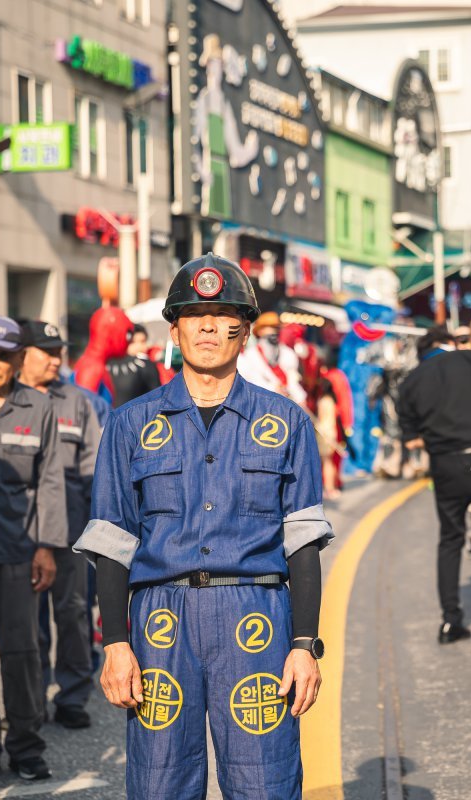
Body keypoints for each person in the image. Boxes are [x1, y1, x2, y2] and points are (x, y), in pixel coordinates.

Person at [74, 253, 332, 800]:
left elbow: (303, 543)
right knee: (159, 782)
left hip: (255, 617)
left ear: (244, 334)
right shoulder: (129, 424)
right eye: (195, 316)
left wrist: (304, 644)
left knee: (265, 782)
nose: (209, 327)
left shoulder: (286, 422)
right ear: (175, 329)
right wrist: (116, 646)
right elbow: (113, 544)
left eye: (223, 317)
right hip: (160, 622)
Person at [0, 317, 67, 781]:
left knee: (22, 655)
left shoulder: (38, 406)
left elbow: (50, 481)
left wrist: (47, 547)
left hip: (20, 552)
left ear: (19, 359)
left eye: (2, 355)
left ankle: (26, 746)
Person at [399, 325, 471, 643]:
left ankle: (450, 622)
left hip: (444, 466)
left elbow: (411, 443)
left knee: (449, 540)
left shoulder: (411, 382)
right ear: (448, 343)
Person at [17, 319, 102, 731]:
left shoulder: (78, 403)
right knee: (28, 623)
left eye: (58, 352)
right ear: (22, 354)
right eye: (46, 352)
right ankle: (31, 699)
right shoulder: (6, 401)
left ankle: (72, 695)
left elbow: (94, 472)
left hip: (71, 530)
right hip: (19, 532)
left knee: (72, 615)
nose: (56, 360)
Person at [239, 310, 307, 404]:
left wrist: (300, 398)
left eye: (275, 328)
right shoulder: (250, 356)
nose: (273, 332)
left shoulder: (288, 354)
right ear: (260, 331)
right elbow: (252, 381)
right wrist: (273, 389)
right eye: (269, 328)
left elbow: (293, 382)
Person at [109, 323, 163, 407]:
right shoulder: (111, 365)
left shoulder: (150, 365)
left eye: (143, 341)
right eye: (133, 342)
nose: (139, 346)